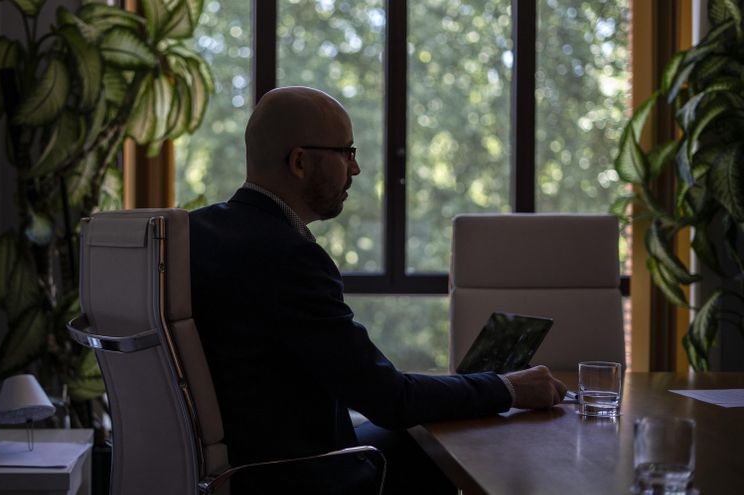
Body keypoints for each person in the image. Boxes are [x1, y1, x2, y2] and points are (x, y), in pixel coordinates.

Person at [189, 86, 567, 494]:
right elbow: (390, 399)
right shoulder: (288, 257)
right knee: (442, 448)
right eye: (346, 152)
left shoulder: (193, 232)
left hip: (235, 468)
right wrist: (508, 387)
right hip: (298, 475)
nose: (356, 169)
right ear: (299, 161)